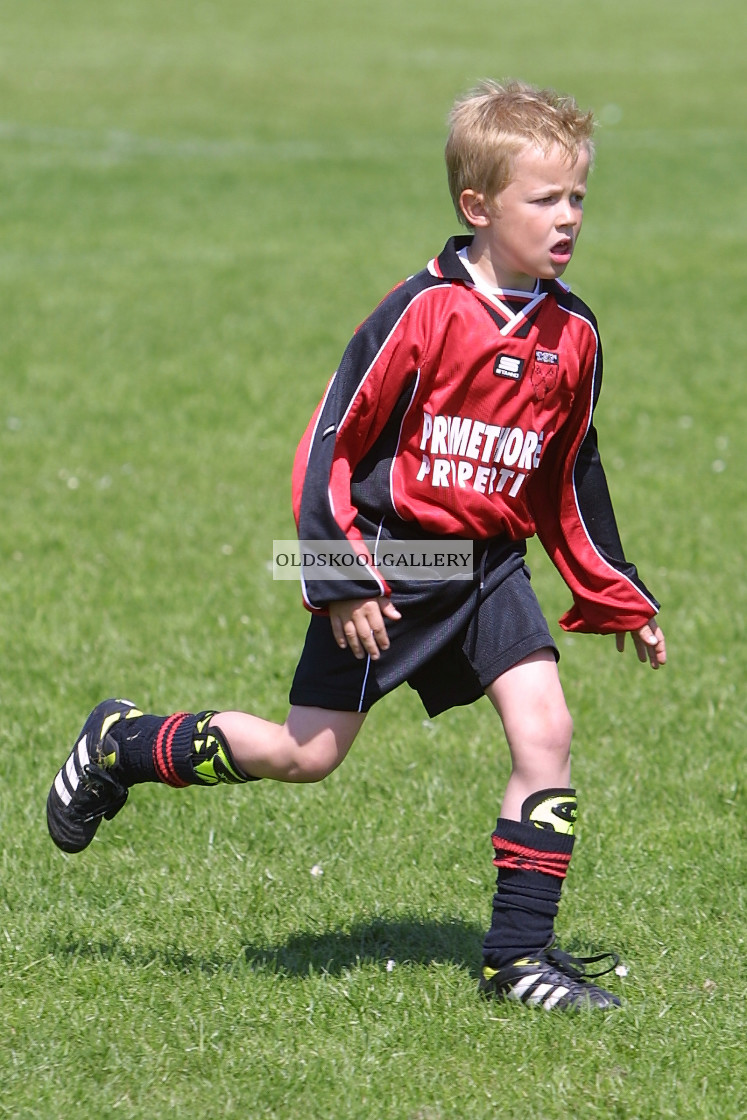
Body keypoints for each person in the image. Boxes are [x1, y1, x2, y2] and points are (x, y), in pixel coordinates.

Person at [47, 79, 666, 1011]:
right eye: (544, 199)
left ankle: (518, 960)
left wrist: (616, 591)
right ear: (478, 206)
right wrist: (338, 578)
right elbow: (328, 440)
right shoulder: (422, 311)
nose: (568, 215)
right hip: (392, 562)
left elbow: (568, 472)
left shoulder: (571, 332)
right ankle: (123, 743)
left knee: (547, 732)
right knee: (307, 755)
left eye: (577, 195)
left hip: (488, 568)